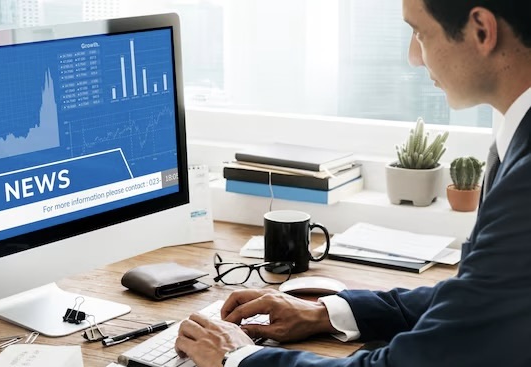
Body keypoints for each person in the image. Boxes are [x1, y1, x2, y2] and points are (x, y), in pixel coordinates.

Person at [174, 0, 531, 366]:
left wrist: (238, 358)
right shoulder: (516, 139)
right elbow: (477, 298)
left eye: (420, 33)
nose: (414, 57)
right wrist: (328, 313)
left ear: (481, 31)